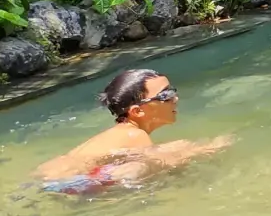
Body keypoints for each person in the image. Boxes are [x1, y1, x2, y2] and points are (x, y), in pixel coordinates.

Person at [37, 69, 232, 190]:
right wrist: (201, 150)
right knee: (143, 167)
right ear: (137, 111)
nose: (175, 98)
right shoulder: (134, 135)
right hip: (64, 184)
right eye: (165, 95)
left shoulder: (124, 134)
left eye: (173, 91)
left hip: (53, 179)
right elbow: (159, 165)